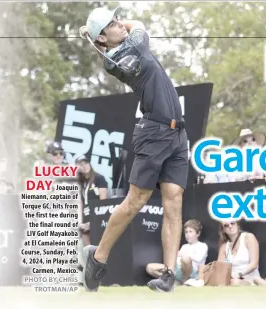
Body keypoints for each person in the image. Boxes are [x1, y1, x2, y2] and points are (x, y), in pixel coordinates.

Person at [79, 6, 188, 292]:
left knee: (174, 202)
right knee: (135, 201)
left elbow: (123, 28)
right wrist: (96, 34)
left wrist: (97, 33)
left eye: (117, 20)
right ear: (103, 40)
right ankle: (98, 259)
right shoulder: (126, 53)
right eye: (112, 25)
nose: (120, 25)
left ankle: (167, 276)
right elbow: (137, 24)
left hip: (177, 133)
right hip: (153, 132)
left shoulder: (116, 46)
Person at [146, 219, 208, 284]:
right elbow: (177, 259)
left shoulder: (202, 245)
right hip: (178, 270)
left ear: (198, 233)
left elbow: (199, 259)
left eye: (190, 232)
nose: (187, 234)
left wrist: (183, 254)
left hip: (192, 273)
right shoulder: (184, 246)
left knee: (185, 258)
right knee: (150, 267)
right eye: (186, 232)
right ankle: (172, 280)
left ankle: (185, 281)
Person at [76, 155, 108, 246]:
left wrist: (93, 223)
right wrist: (80, 222)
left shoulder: (99, 178)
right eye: (81, 165)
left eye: (86, 163)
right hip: (85, 220)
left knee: (97, 250)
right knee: (87, 252)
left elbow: (103, 204)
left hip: (96, 219)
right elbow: (80, 203)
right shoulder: (80, 182)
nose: (84, 166)